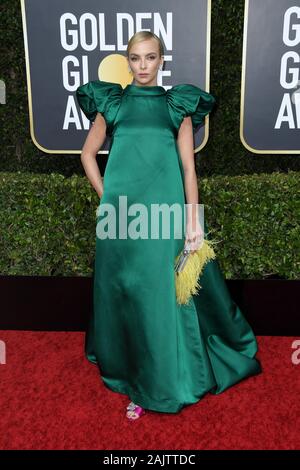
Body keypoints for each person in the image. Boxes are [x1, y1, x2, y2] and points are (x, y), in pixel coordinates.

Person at [76, 31, 262, 421]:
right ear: (127, 61)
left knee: (156, 296)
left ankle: (155, 384)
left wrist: (193, 222)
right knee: (124, 293)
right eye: (135, 58)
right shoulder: (112, 101)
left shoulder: (176, 105)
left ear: (162, 60)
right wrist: (107, 194)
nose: (143, 65)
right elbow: (88, 154)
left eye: (150, 57)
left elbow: (189, 169)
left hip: (164, 217)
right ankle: (131, 373)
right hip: (121, 216)